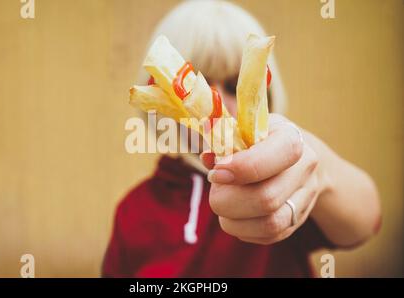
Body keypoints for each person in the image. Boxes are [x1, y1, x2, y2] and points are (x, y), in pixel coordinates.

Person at [103, 0, 381, 277]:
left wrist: (319, 174)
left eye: (235, 85)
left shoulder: (281, 181)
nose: (218, 102)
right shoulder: (133, 212)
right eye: (193, 85)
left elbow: (365, 222)